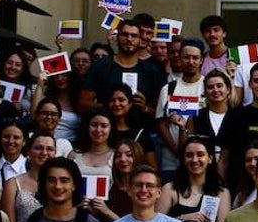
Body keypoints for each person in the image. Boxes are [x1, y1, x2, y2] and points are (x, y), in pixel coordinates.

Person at [80, 19, 165, 113]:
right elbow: (83, 105)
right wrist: (110, 106)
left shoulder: (151, 71)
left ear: (140, 40)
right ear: (117, 37)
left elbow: (160, 112)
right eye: (124, 34)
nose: (129, 39)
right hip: (108, 126)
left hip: (140, 126)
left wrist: (145, 108)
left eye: (134, 36)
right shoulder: (100, 66)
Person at [154, 37, 205, 180]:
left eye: (195, 58)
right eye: (186, 57)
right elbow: (161, 122)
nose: (191, 62)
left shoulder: (208, 86)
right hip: (171, 162)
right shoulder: (169, 88)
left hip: (200, 160)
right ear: (180, 59)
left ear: (201, 60)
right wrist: (177, 150)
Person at [2, 132, 57, 222]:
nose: (44, 153)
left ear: (55, 153)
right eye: (38, 148)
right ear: (28, 151)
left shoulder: (60, 185)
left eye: (49, 149)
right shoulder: (12, 184)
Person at [186, 69, 232, 158]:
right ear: (205, 92)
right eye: (210, 87)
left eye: (219, 86)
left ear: (228, 89)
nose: (215, 90)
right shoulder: (196, 117)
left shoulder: (239, 116)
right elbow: (188, 148)